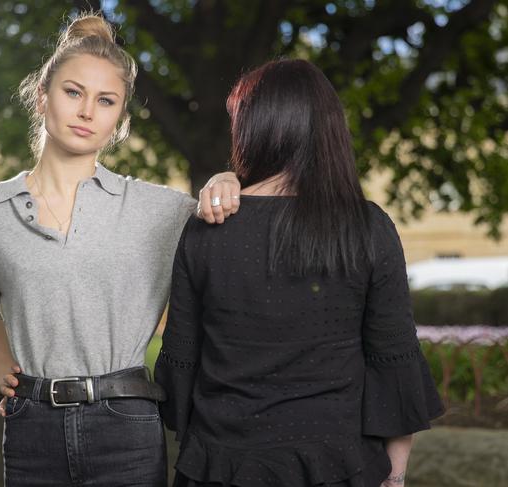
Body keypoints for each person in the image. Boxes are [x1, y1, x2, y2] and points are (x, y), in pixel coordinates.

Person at [0, 12, 241, 487]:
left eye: (105, 101)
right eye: (73, 92)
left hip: (126, 427)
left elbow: (235, 231)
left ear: (119, 122)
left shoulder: (160, 211)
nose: (87, 111)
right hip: (30, 428)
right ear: (42, 97)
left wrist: (225, 179)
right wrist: (4, 367)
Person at [154, 59, 445, 487]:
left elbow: (180, 362)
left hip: (222, 463)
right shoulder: (368, 227)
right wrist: (396, 475)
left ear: (252, 127)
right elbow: (394, 360)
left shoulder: (207, 228)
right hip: (340, 463)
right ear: (328, 127)